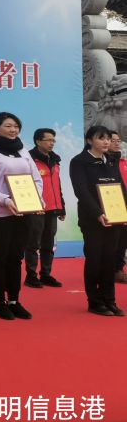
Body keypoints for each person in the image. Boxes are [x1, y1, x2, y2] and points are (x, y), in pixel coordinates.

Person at [0, 112, 42, 320]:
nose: (13, 130)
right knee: (0, 257)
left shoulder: (22, 150)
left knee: (16, 257)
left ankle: (14, 300)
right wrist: (5, 200)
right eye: (8, 126)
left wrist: (36, 199)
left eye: (16, 126)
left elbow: (36, 179)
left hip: (23, 212)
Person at [70, 125, 125, 316]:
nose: (106, 142)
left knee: (109, 259)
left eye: (108, 138)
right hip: (92, 219)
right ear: (89, 140)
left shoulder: (111, 160)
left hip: (114, 218)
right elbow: (81, 191)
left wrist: (124, 212)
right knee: (95, 259)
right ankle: (94, 301)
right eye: (101, 138)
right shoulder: (79, 161)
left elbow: (120, 187)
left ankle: (110, 300)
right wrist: (97, 213)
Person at [24, 128, 65, 289]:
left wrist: (61, 207)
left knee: (48, 243)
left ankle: (46, 274)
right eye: (48, 140)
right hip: (36, 208)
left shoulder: (55, 159)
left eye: (53, 140)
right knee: (33, 243)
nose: (52, 143)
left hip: (52, 208)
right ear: (38, 141)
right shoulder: (28, 159)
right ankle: (31, 275)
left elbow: (57, 185)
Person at [109, 130, 127, 284]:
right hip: (111, 205)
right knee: (112, 240)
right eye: (112, 140)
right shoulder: (105, 162)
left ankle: (118, 269)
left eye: (118, 140)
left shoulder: (123, 162)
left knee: (123, 240)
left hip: (125, 206)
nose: (116, 143)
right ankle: (108, 270)